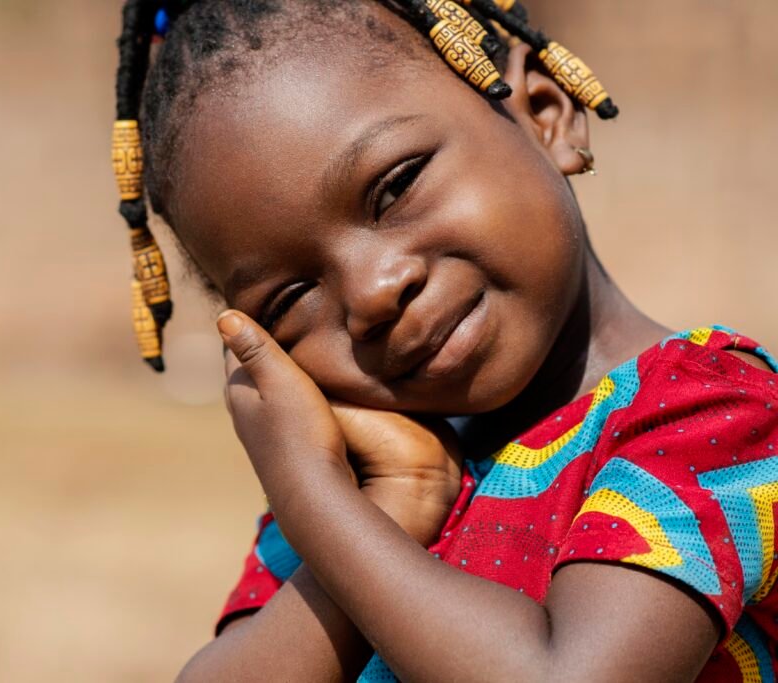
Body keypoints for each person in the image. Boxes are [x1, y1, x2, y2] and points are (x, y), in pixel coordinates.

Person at [110, 1, 778, 680]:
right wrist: (392, 500)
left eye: (395, 187)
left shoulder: (709, 410)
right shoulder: (351, 499)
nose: (373, 292)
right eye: (290, 298)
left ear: (544, 113)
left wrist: (319, 498)